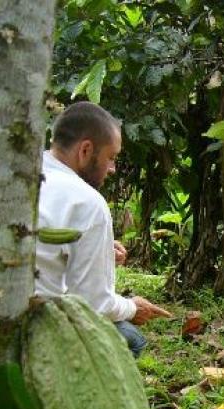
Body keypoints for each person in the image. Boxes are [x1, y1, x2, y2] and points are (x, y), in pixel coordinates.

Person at [36, 101, 171, 357]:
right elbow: (93, 304)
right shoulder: (87, 201)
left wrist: (100, 249)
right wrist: (132, 308)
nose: (113, 169)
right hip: (39, 326)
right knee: (131, 338)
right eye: (111, 157)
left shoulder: (25, 173)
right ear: (86, 150)